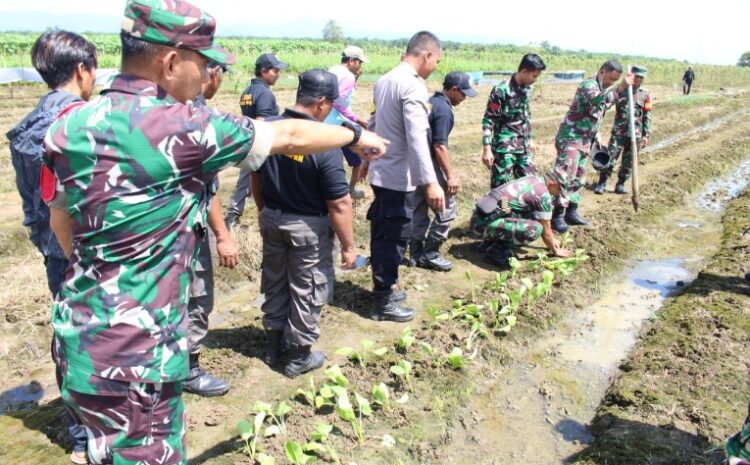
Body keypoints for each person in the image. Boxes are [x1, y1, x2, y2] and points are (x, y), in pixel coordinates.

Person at [43, 1, 387, 463]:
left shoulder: (68, 125)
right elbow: (287, 136)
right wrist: (354, 137)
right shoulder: (185, 127)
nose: (206, 73)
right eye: (202, 62)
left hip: (77, 337)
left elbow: (60, 221)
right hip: (137, 356)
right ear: (170, 61)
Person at [6, 29, 96, 465]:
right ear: (82, 70)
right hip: (92, 252)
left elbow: (31, 204)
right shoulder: (84, 125)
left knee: (69, 337)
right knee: (107, 341)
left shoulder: (23, 130)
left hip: (53, 253)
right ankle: (102, 433)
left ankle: (79, 435)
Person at [251, 69, 356, 378]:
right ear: (321, 103)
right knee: (307, 287)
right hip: (307, 229)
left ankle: (274, 345)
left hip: (272, 218)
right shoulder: (322, 144)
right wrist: (349, 247)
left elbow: (255, 175)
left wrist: (264, 212)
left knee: (275, 280)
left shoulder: (270, 129)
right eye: (331, 106)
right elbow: (338, 202)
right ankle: (298, 355)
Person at [367, 31, 445, 322]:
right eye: (436, 60)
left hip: (382, 171)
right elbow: (416, 137)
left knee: (382, 230)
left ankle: (383, 287)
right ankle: (383, 301)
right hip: (398, 175)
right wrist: (431, 181)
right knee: (395, 236)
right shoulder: (413, 86)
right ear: (426, 55)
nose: (435, 66)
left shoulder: (385, 79)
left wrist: (367, 159)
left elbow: (374, 122)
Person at [184, 57, 239, 397]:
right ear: (213, 73)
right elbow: (209, 186)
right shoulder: (198, 116)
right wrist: (223, 235)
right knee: (196, 297)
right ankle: (188, 370)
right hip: (187, 231)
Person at [551, 60, 633, 233]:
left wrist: (597, 135)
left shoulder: (603, 88)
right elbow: (598, 100)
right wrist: (620, 87)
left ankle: (571, 213)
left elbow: (598, 113)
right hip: (571, 139)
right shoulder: (589, 85)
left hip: (585, 140)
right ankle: (556, 216)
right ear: (602, 72)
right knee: (565, 176)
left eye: (615, 80)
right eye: (610, 79)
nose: (612, 83)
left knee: (579, 178)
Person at [408, 71, 477, 271]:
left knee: (419, 208)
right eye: (463, 94)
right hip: (429, 164)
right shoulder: (444, 110)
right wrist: (450, 176)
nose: (464, 99)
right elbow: (439, 146)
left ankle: (415, 253)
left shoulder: (430, 102)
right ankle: (430, 254)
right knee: (446, 209)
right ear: (454, 90)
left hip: (415, 164)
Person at [224, 52, 289, 229]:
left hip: (248, 140)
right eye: (275, 71)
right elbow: (262, 122)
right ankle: (239, 217)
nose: (278, 74)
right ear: (264, 71)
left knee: (246, 180)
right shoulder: (264, 93)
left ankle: (234, 216)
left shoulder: (247, 92)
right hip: (260, 144)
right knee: (258, 180)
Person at [469, 172, 573, 267]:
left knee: (532, 215)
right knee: (534, 229)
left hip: (481, 219)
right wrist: (555, 250)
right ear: (553, 184)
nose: (558, 194)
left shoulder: (534, 179)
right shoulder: (542, 195)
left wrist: (552, 239)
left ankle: (489, 242)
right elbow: (546, 232)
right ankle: (495, 252)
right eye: (559, 190)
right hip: (483, 224)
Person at [481, 53, 547, 188]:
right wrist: (487, 148)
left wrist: (529, 138)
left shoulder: (526, 89)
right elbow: (489, 119)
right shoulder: (501, 91)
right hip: (504, 149)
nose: (535, 80)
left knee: (530, 187)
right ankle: (501, 209)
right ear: (524, 71)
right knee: (501, 190)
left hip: (523, 147)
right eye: (534, 76)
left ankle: (522, 209)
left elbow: (525, 116)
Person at [595, 65, 652, 195]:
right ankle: (602, 182)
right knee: (611, 157)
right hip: (619, 132)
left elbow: (647, 115)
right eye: (636, 77)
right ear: (631, 76)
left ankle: (620, 184)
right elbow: (605, 105)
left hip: (635, 133)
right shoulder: (621, 90)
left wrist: (646, 134)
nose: (638, 80)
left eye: (641, 78)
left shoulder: (645, 94)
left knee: (629, 160)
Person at [325, 45, 371, 199]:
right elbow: (339, 102)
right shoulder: (347, 76)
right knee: (357, 159)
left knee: (326, 161)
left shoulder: (332, 70)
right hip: (341, 123)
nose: (360, 65)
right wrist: (357, 119)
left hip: (325, 122)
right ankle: (350, 191)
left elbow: (336, 95)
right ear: (352, 61)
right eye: (360, 62)